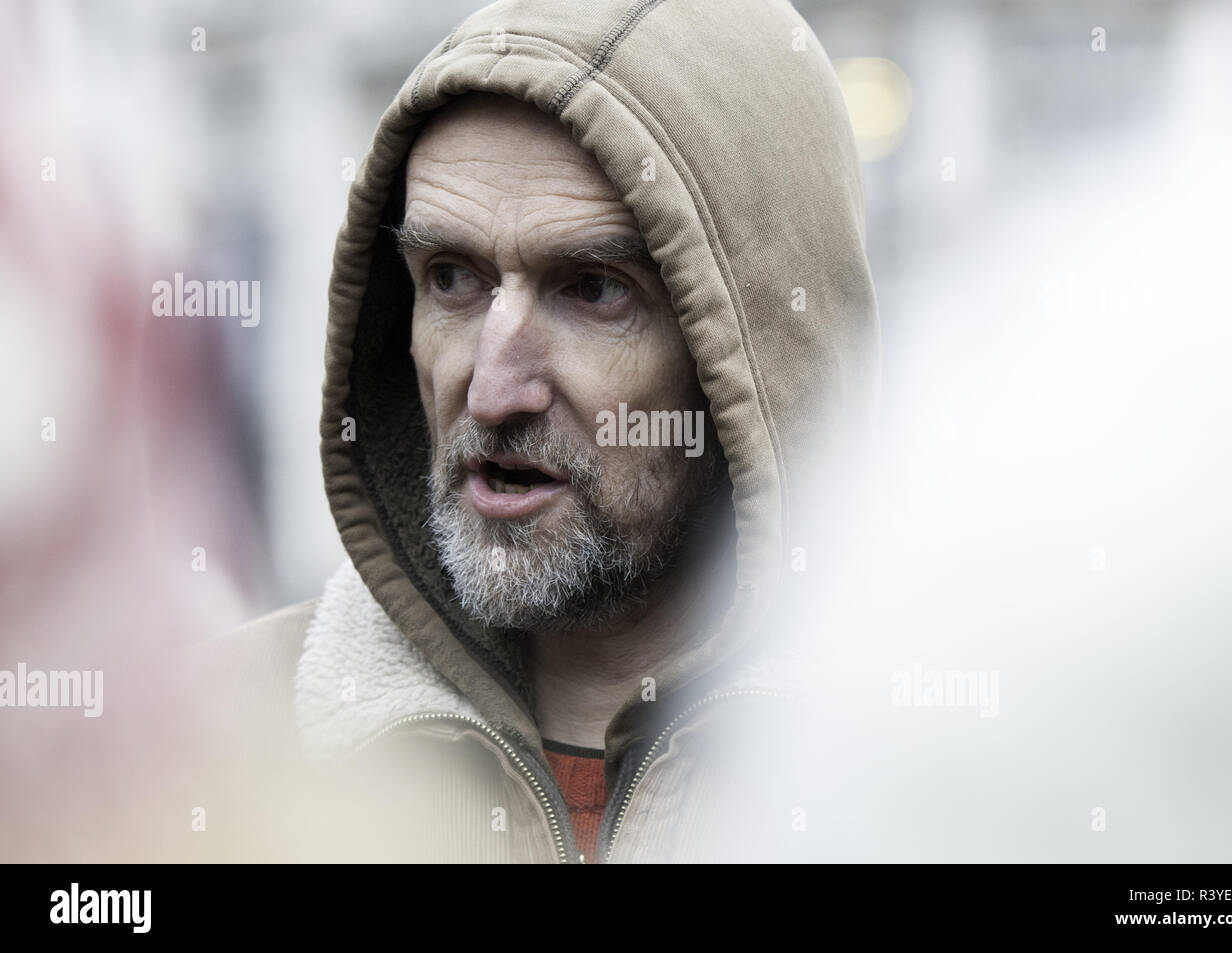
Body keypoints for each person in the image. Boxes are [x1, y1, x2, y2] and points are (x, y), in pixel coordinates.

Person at [185, 0, 878, 864]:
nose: (491, 388)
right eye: (451, 278)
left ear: (755, 352)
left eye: (592, 288)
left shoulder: (947, 765)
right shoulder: (204, 750)